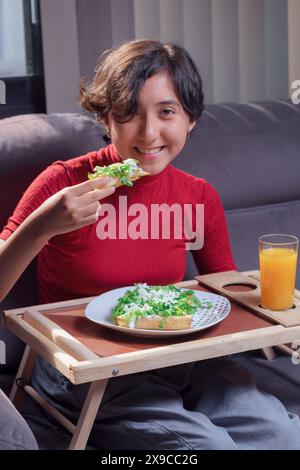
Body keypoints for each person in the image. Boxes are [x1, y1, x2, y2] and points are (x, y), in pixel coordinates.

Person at [0, 39, 299, 450]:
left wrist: (277, 319)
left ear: (191, 120)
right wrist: (40, 227)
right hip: (89, 369)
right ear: (106, 119)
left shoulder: (199, 196)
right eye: (129, 114)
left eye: (167, 112)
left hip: (181, 356)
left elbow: (224, 293)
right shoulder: (65, 184)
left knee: (285, 435)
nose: (149, 133)